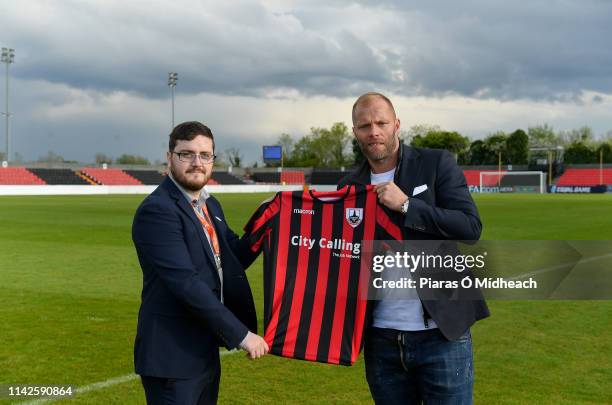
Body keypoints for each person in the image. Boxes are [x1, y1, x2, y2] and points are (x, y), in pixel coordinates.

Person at [338, 93, 489, 404]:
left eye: (381, 122)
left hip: (442, 333)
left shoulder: (436, 163)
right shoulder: (348, 186)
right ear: (355, 132)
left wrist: (407, 205)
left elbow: (470, 227)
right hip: (381, 339)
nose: (374, 131)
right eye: (364, 125)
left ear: (396, 124)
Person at [132, 121, 268, 405]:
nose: (197, 162)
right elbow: (186, 284)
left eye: (205, 155)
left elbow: (235, 257)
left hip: (203, 351)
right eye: (187, 154)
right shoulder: (158, 210)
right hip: (172, 358)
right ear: (170, 158)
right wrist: (242, 335)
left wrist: (268, 219)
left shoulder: (209, 205)